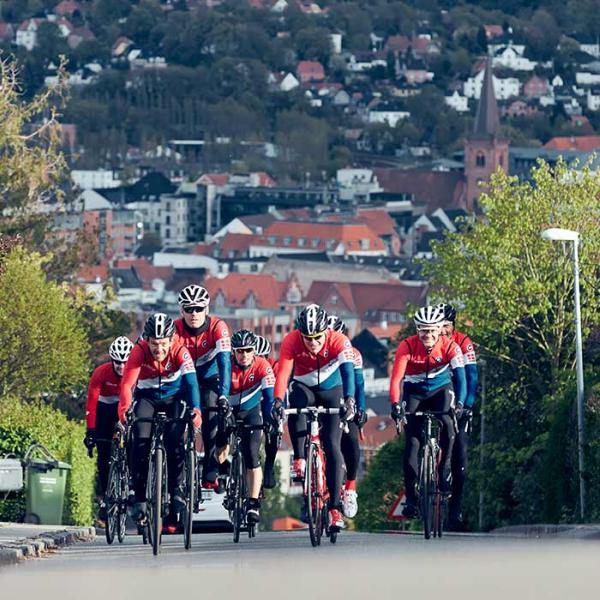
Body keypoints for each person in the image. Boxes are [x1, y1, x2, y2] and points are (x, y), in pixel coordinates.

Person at [273, 304, 356, 531]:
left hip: (333, 391)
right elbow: (283, 373)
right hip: (304, 387)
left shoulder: (339, 340)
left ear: (326, 332)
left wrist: (349, 399)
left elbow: (348, 372)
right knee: (294, 403)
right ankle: (300, 458)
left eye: (317, 337)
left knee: (332, 445)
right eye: (307, 337)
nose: (313, 342)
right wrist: (278, 401)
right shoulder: (291, 340)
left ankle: (335, 509)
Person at [118, 313, 201, 532]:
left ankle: (176, 491)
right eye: (154, 344)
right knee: (140, 442)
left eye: (163, 343)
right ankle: (140, 496)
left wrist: (196, 410)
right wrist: (125, 410)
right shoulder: (139, 351)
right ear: (147, 340)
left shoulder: (180, 351)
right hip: (147, 398)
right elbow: (127, 385)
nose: (159, 349)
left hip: (175, 398)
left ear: (171, 340)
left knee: (175, 442)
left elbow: (192, 384)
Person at [389, 305, 466, 519]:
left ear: (440, 329)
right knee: (412, 443)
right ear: (417, 330)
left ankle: (444, 468)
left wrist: (459, 404)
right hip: (414, 392)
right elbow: (396, 379)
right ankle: (412, 500)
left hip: (441, 390)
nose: (428, 335)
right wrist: (395, 404)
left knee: (449, 425)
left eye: (432, 330)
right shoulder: (407, 346)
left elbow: (461, 378)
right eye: (423, 330)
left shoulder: (451, 347)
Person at [173, 285, 231, 490]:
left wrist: (224, 395)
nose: (194, 313)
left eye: (198, 308)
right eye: (188, 309)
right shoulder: (175, 329)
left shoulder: (218, 327)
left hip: (209, 378)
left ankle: (210, 464)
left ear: (206, 309)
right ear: (182, 311)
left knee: (211, 408)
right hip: (183, 380)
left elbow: (225, 363)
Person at [225, 329, 276, 524]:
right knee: (219, 443)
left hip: (251, 412)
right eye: (240, 351)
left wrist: (270, 419)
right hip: (229, 410)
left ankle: (253, 503)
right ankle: (223, 471)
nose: (244, 355)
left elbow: (270, 397)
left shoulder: (263, 366)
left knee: (252, 454)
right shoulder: (226, 365)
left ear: (254, 351)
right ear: (233, 352)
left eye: (248, 350)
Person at [84, 336, 134, 523]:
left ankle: (131, 484)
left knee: (133, 441)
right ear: (111, 360)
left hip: (126, 407)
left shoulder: (135, 372)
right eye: (117, 362)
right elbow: (92, 403)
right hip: (105, 408)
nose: (121, 367)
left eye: (125, 362)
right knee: (103, 455)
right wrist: (91, 432)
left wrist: (126, 423)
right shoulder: (101, 373)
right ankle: (105, 497)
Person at [438, 303, 479, 531]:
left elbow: (472, 377)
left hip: (460, 399)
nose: (442, 331)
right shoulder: (430, 340)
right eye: (439, 326)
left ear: (453, 325)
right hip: (438, 397)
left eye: (446, 326)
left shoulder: (463, 342)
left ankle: (456, 506)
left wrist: (469, 405)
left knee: (460, 453)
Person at [326, 315, 368, 519]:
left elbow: (359, 385)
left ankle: (350, 486)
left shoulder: (353, 354)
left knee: (350, 439)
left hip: (344, 400)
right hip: (324, 399)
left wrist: (360, 409)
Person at [254, 334, 279, 489]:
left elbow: (280, 392)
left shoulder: (273, 366)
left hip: (267, 400)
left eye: (262, 357)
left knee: (274, 430)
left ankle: (269, 466)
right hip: (249, 402)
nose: (258, 361)